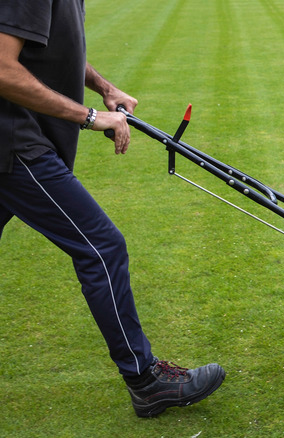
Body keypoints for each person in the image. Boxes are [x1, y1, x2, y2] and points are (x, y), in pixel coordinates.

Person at [0, 1, 225, 417]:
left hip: (22, 138)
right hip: (14, 145)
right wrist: (89, 116)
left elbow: (52, 48)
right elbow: (2, 68)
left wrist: (103, 87)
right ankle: (146, 381)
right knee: (101, 247)